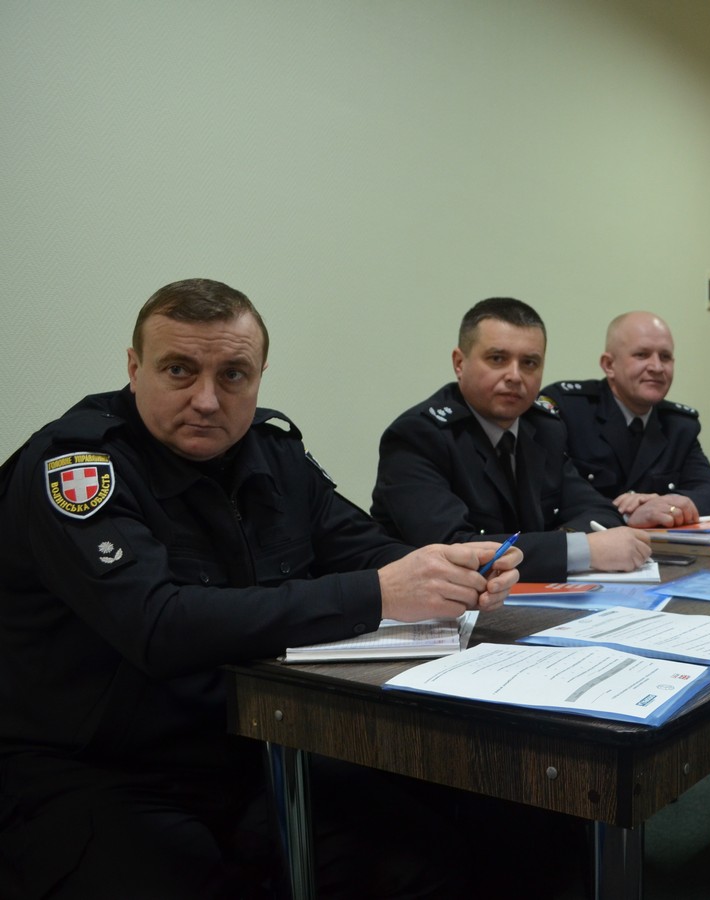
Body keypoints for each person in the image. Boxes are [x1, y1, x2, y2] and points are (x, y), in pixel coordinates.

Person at [0, 279, 523, 899]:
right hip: (91, 768)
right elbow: (158, 624)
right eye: (179, 370)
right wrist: (379, 593)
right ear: (135, 369)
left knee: (437, 847)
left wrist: (451, 572)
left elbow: (363, 548)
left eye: (233, 375)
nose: (206, 400)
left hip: (248, 745)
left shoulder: (271, 454)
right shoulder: (78, 467)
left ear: (259, 376)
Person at [371, 297, 651, 581]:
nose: (515, 376)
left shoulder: (543, 428)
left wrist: (563, 542)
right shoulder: (419, 437)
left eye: (529, 363)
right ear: (459, 363)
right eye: (497, 359)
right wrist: (580, 550)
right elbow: (452, 552)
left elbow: (599, 511)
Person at [540, 311, 710, 528]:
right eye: (642, 355)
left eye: (665, 357)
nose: (657, 367)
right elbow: (553, 500)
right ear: (609, 365)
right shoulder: (570, 410)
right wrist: (627, 516)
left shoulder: (679, 426)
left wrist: (666, 504)